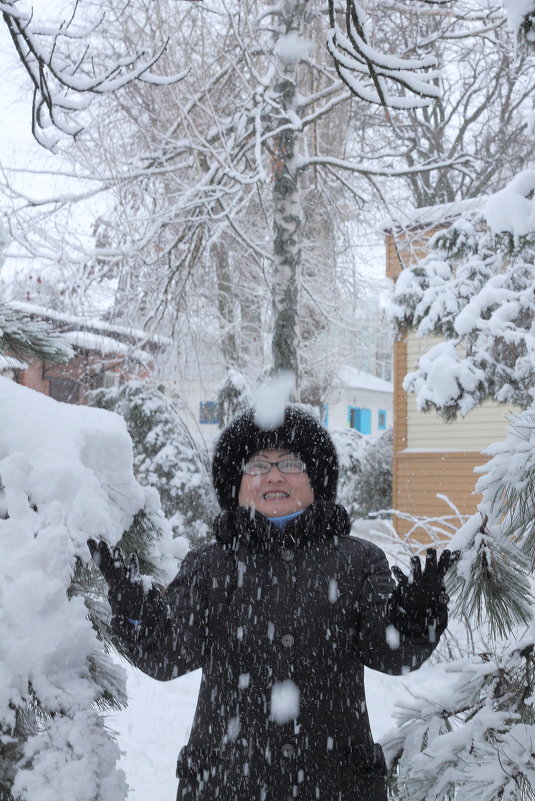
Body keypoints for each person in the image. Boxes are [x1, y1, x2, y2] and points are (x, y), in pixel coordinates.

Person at [89, 405, 459, 801]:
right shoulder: (209, 564)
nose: (274, 475)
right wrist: (136, 609)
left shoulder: (358, 560)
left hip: (335, 784)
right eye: (257, 465)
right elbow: (170, 655)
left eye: (291, 462)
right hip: (227, 784)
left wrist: (416, 613)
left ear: (316, 479)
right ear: (237, 483)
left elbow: (391, 653)